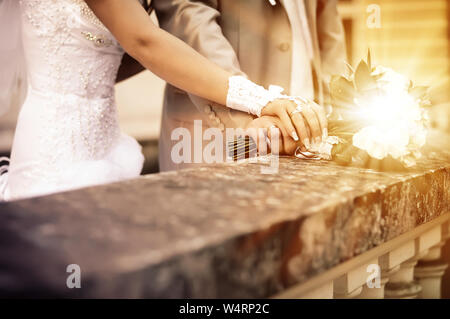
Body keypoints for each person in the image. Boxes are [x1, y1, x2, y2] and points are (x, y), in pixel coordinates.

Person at [0, 0, 325, 201]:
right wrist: (261, 100)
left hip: (104, 143)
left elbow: (125, 54)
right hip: (54, 148)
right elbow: (146, 42)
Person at [148, 0, 347, 171]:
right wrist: (248, 113)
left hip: (309, 127)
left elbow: (328, 26)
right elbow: (190, 16)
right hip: (216, 130)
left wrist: (338, 109)